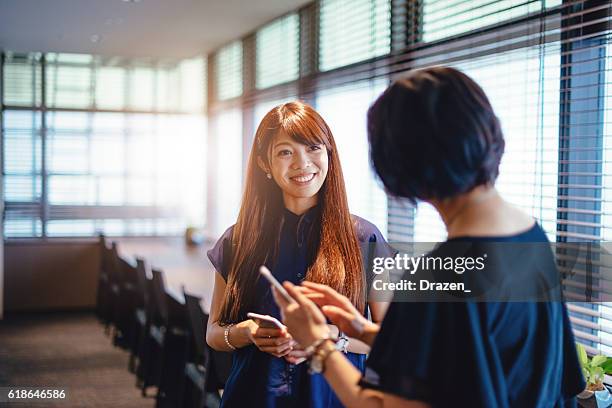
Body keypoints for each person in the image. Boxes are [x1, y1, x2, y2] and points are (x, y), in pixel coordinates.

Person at [272, 67, 585, 407]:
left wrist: (318, 343)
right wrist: (362, 330)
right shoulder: (530, 238)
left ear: (398, 165)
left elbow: (379, 405)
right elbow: (471, 356)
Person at [205, 101, 394, 407]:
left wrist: (331, 336)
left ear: (329, 154)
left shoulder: (366, 238)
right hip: (253, 397)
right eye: (285, 152)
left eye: (313, 148)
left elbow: (389, 339)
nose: (302, 163)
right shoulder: (238, 239)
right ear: (265, 164)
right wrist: (247, 332)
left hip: (334, 399)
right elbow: (214, 333)